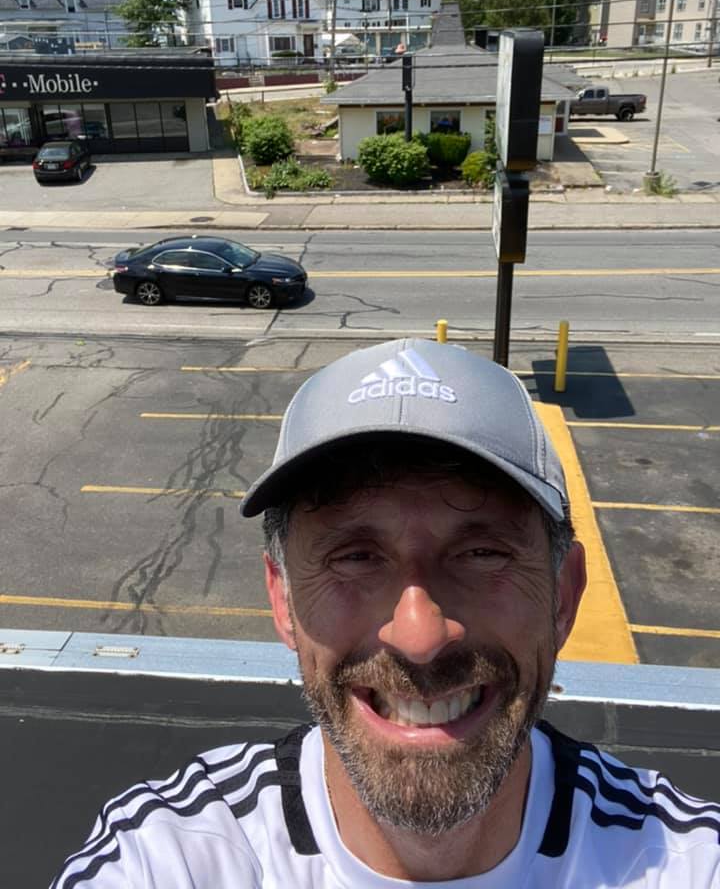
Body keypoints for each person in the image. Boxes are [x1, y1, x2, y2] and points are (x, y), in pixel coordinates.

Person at [53, 339, 720, 887]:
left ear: (564, 596)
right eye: (355, 557)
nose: (420, 636)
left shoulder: (682, 859)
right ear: (283, 599)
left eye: (482, 553)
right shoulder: (174, 855)